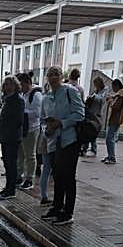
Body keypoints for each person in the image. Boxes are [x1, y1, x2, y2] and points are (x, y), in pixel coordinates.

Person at [40, 65, 85, 225]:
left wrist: (62, 123)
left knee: (68, 176)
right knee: (57, 175)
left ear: (61, 76)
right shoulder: (46, 97)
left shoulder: (70, 91)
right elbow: (42, 119)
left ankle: (68, 212)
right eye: (50, 74)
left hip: (69, 140)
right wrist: (47, 129)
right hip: (53, 141)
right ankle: (56, 206)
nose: (52, 77)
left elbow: (80, 114)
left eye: (56, 74)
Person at [0, 76, 25, 199]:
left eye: (10, 84)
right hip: (5, 135)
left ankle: (11, 190)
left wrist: (6, 126)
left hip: (12, 136)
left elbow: (18, 120)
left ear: (15, 86)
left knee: (11, 163)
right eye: (6, 84)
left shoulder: (18, 100)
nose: (8, 87)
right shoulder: (6, 99)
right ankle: (7, 187)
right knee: (7, 163)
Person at [17, 73, 43, 192]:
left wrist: (22, 113)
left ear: (27, 82)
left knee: (30, 155)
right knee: (21, 154)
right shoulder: (23, 94)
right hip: (23, 128)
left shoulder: (36, 95)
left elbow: (37, 113)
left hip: (32, 129)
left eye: (21, 84)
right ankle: (19, 175)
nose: (19, 87)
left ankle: (29, 179)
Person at [102, 78, 123, 165]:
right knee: (110, 138)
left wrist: (110, 101)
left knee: (109, 138)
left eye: (113, 86)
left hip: (115, 119)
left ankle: (112, 157)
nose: (113, 89)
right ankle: (110, 155)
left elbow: (116, 107)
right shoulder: (121, 94)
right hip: (115, 119)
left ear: (116, 86)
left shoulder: (120, 95)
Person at [81, 76, 106, 158]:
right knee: (88, 130)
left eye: (96, 84)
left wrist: (93, 97)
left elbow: (102, 100)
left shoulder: (104, 91)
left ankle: (93, 149)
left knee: (93, 131)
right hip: (91, 114)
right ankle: (85, 148)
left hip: (97, 115)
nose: (95, 86)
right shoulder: (96, 91)